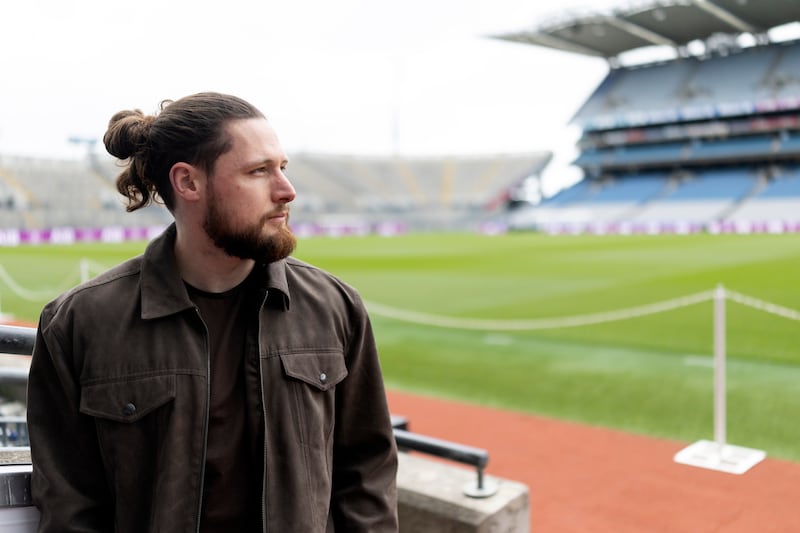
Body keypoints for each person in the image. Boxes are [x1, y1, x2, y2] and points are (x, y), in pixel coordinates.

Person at [26, 92, 399, 532]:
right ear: (188, 182)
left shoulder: (335, 308)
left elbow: (367, 477)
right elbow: (70, 507)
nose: (286, 190)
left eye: (282, 168)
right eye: (259, 171)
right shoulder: (79, 323)